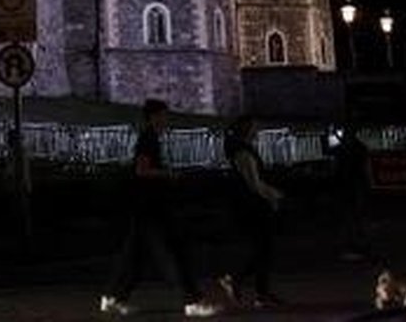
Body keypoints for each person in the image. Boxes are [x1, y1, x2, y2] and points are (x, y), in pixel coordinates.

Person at [99, 99, 219, 317]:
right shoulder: (148, 139)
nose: (166, 120)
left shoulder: (150, 138)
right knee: (173, 253)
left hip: (145, 208)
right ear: (153, 117)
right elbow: (142, 170)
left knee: (135, 258)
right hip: (151, 208)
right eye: (163, 115)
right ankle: (192, 301)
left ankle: (113, 297)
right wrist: (168, 174)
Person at [218, 115, 284, 308]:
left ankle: (256, 290)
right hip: (252, 206)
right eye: (254, 127)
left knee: (263, 249)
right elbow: (253, 183)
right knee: (263, 248)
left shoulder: (241, 149)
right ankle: (242, 283)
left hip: (248, 204)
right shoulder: (242, 152)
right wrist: (273, 195)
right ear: (247, 129)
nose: (257, 130)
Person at [330, 122, 372, 260]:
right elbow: (366, 168)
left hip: (349, 186)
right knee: (355, 216)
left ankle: (353, 245)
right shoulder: (359, 148)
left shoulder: (344, 149)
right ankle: (357, 244)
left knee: (351, 217)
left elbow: (335, 167)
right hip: (353, 185)